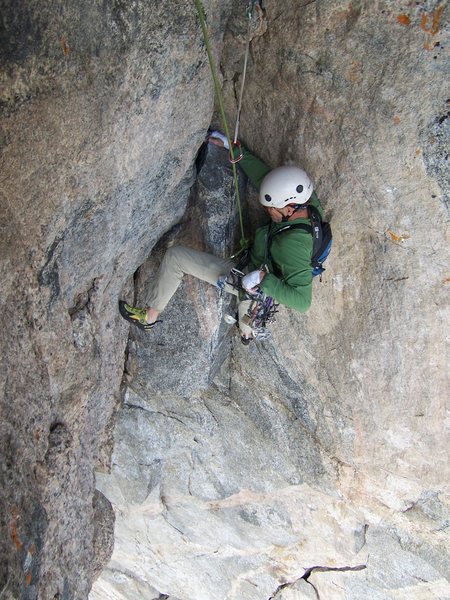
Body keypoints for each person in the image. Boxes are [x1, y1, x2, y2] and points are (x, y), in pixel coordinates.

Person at [119, 132, 324, 342]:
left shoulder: (292, 245)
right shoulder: (309, 204)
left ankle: (149, 318)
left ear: (289, 208)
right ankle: (247, 332)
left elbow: (302, 302)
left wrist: (262, 279)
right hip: (260, 273)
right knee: (251, 307)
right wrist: (233, 150)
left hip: (255, 279)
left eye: (271, 209)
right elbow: (268, 181)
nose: (268, 211)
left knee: (176, 257)